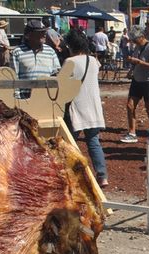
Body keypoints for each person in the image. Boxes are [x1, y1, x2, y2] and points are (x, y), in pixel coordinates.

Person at [62, 30, 109, 188]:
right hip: (93, 106)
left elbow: (61, 82)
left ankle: (70, 173)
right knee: (93, 142)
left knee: (69, 141)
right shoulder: (93, 60)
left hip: (77, 106)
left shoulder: (70, 62)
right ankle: (102, 176)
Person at [120, 27, 149, 145]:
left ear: (141, 37)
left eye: (134, 39)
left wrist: (138, 62)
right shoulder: (138, 47)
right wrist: (131, 69)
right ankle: (132, 133)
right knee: (130, 105)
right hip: (137, 80)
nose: (133, 42)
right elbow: (136, 61)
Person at [10, 20, 61, 99]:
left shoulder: (50, 51)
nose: (44, 35)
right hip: (26, 99)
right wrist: (17, 99)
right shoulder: (17, 52)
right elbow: (14, 78)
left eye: (44, 32)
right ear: (28, 35)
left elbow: (56, 74)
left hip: (47, 97)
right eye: (40, 32)